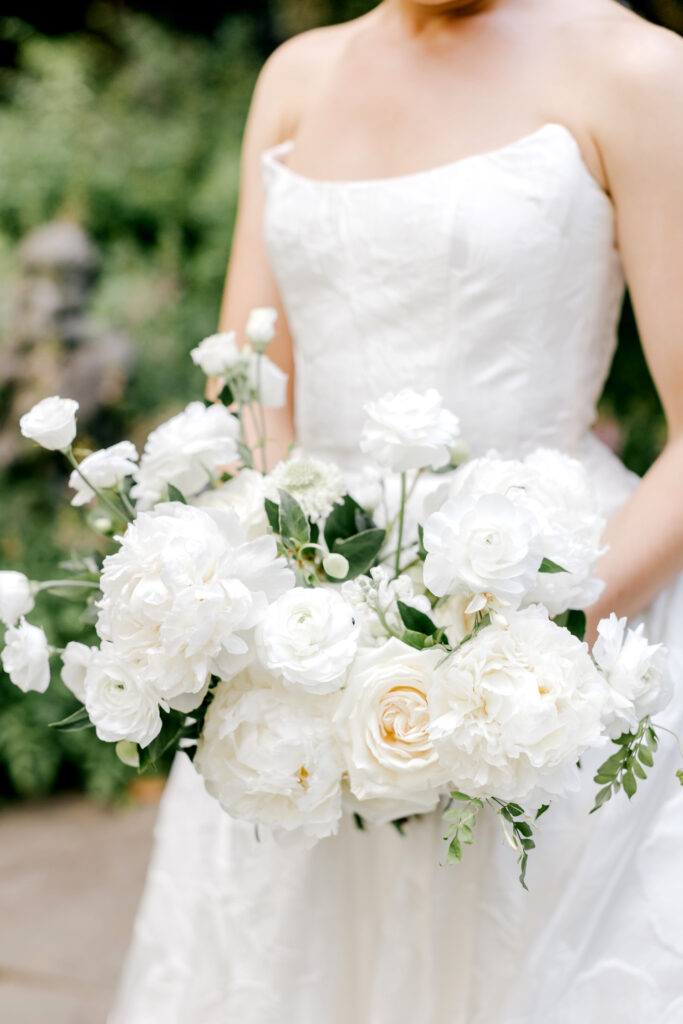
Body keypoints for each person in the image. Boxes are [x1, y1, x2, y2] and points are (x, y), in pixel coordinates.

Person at [109, 1, 683, 1020]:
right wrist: (280, 608)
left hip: (546, 612)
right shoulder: (295, 76)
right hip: (305, 632)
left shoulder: (635, 70)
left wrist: (516, 648)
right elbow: (250, 393)